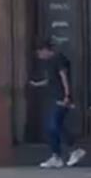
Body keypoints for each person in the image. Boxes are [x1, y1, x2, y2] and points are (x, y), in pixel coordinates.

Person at [29, 40, 86, 169]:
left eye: (39, 53)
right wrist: (37, 84)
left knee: (54, 125)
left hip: (61, 98)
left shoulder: (59, 59)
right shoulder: (49, 63)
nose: (39, 57)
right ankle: (57, 156)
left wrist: (67, 95)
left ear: (45, 50)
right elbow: (51, 80)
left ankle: (73, 150)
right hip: (54, 97)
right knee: (53, 127)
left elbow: (63, 77)